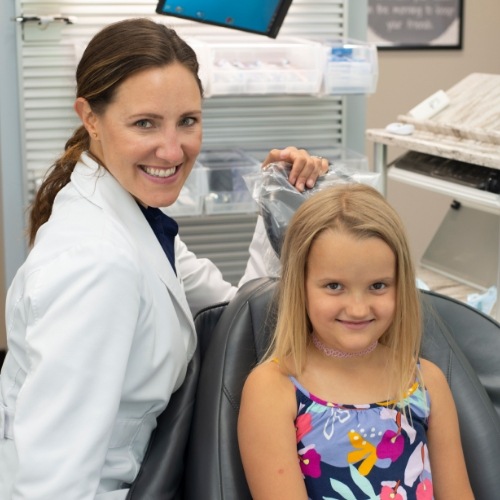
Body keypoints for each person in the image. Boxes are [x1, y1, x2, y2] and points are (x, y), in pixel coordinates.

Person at [0, 18, 328, 499]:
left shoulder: (134, 219)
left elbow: (236, 312)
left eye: (188, 121)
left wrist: (279, 204)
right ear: (90, 117)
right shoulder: (99, 263)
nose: (173, 150)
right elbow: (53, 484)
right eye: (145, 123)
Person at [238, 184, 474, 500]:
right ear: (300, 285)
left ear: (400, 285)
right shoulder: (274, 388)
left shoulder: (426, 382)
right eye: (334, 286)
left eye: (378, 286)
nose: (358, 309)